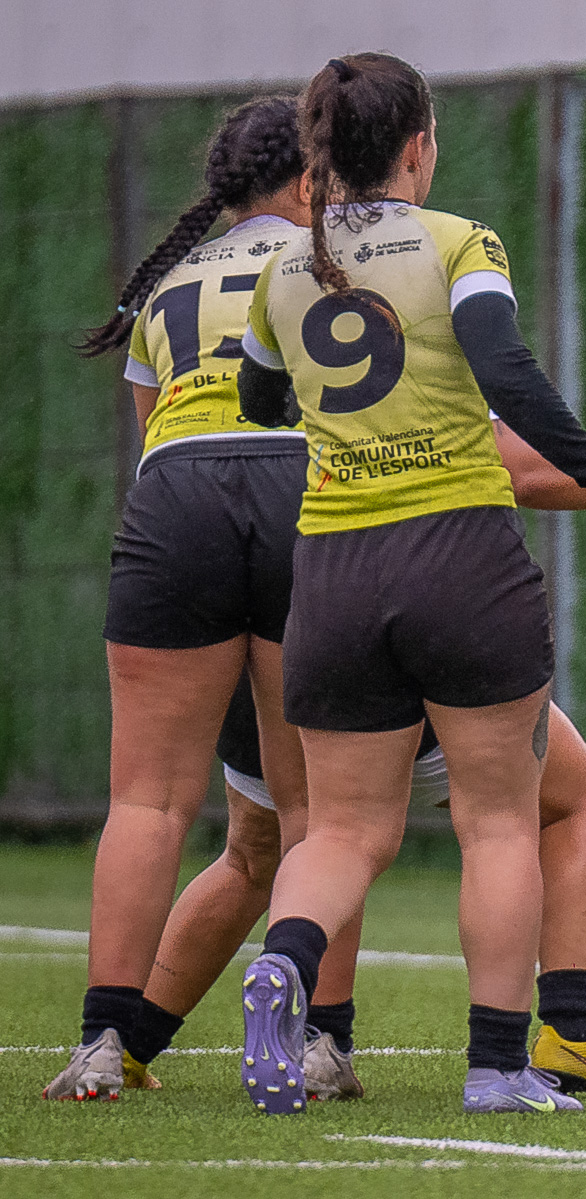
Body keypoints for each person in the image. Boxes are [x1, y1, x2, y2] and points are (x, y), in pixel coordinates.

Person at [233, 51, 586, 1115]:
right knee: (500, 822)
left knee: (341, 829)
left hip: (332, 569)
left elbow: (258, 402)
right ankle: (495, 1066)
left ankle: (285, 959)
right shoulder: (457, 240)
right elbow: (503, 364)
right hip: (460, 559)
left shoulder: (285, 266)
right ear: (420, 145)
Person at [120, 408, 586, 1100]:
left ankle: (127, 1043)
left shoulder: (270, 324)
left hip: (286, 613)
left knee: (270, 847)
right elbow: (520, 463)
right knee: (527, 815)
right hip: (422, 601)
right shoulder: (431, 311)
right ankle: (539, 1043)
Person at [44, 97, 315, 1102]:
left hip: (176, 498)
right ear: (304, 183)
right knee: (313, 809)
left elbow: (161, 431)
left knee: (147, 798)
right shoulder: (335, 261)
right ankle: (319, 1043)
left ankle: (101, 1045)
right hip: (298, 486)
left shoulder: (164, 284)